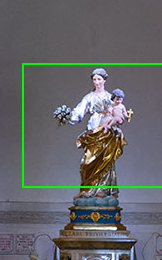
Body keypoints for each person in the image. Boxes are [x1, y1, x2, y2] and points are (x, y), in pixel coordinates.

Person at [55, 69, 131, 197]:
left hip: (107, 129)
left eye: (99, 79)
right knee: (87, 162)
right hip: (93, 129)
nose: (97, 82)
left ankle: (103, 190)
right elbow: (78, 113)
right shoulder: (89, 97)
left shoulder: (110, 97)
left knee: (105, 160)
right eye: (94, 79)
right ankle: (86, 190)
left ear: (105, 80)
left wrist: (118, 119)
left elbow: (118, 111)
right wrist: (66, 116)